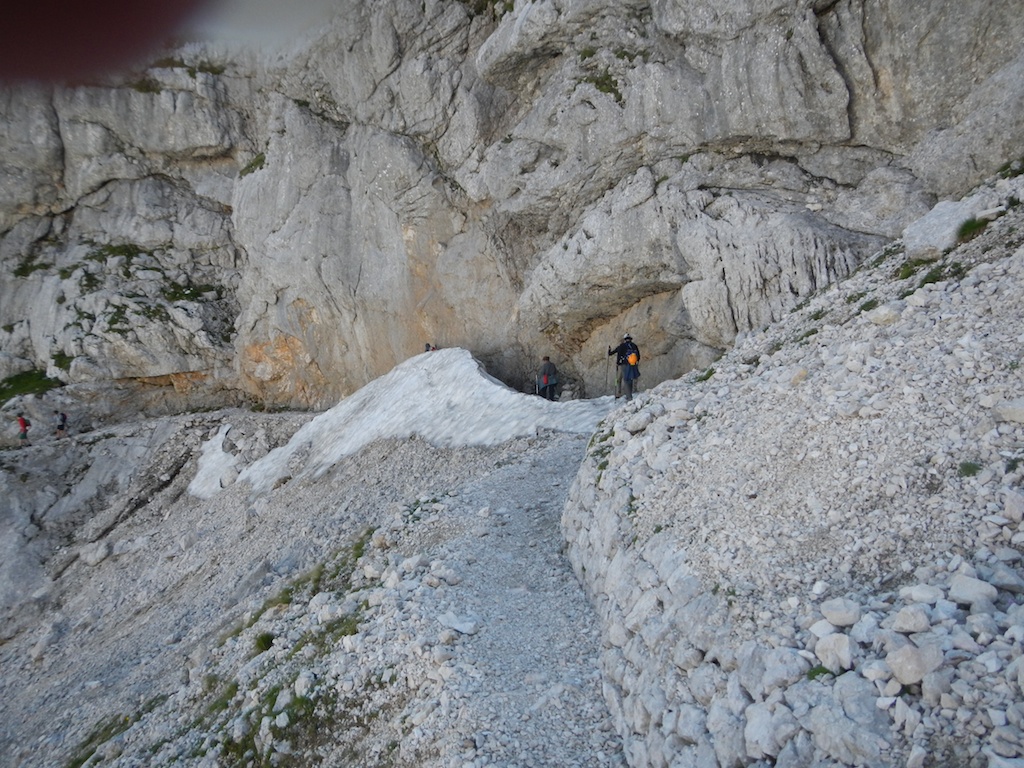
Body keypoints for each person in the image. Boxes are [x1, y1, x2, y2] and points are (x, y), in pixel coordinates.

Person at [608, 334, 641, 401]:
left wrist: (617, 363)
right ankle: (632, 392)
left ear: (624, 339)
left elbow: (616, 354)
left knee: (624, 379)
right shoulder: (634, 345)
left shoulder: (622, 346)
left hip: (624, 365)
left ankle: (626, 396)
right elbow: (638, 356)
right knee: (631, 378)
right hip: (633, 364)